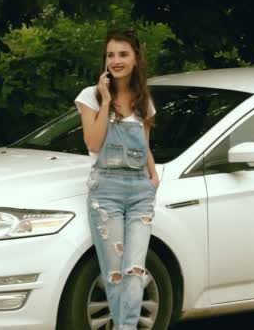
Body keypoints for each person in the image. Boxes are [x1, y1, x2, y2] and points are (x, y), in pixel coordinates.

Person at [74, 29, 159, 330]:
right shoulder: (91, 97)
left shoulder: (143, 101)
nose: (116, 60)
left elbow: (145, 147)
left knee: (135, 272)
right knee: (115, 273)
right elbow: (94, 143)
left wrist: (153, 178)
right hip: (106, 191)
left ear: (136, 59)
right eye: (111, 54)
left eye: (123, 54)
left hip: (140, 192)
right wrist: (107, 101)